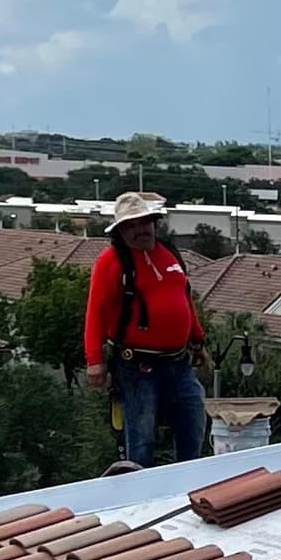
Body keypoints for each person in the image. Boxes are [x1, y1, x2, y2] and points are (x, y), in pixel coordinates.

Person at [83, 192, 209, 466]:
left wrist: (197, 342)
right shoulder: (111, 261)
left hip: (179, 361)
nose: (140, 230)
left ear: (154, 223)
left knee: (194, 422)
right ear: (120, 232)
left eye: (144, 222)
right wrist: (94, 360)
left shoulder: (168, 253)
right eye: (130, 225)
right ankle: (142, 496)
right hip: (138, 367)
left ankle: (189, 485)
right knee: (141, 438)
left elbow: (185, 299)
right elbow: (96, 311)